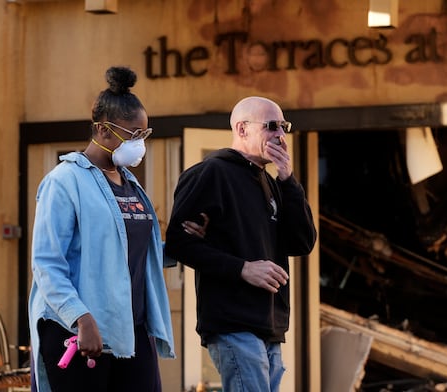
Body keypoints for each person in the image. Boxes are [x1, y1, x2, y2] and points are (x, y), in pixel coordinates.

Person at [28, 66, 175, 392]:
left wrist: (182, 244)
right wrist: (82, 318)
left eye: (144, 134)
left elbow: (131, 254)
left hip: (131, 330)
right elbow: (47, 263)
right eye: (133, 134)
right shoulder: (64, 182)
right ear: (102, 130)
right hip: (79, 333)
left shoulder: (131, 184)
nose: (139, 143)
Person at [164, 96, 317, 392]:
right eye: (272, 126)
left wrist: (287, 179)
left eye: (284, 126)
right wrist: (242, 269)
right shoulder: (211, 172)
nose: (280, 135)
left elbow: (302, 241)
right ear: (242, 129)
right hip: (233, 321)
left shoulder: (270, 181)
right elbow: (179, 244)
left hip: (270, 323)